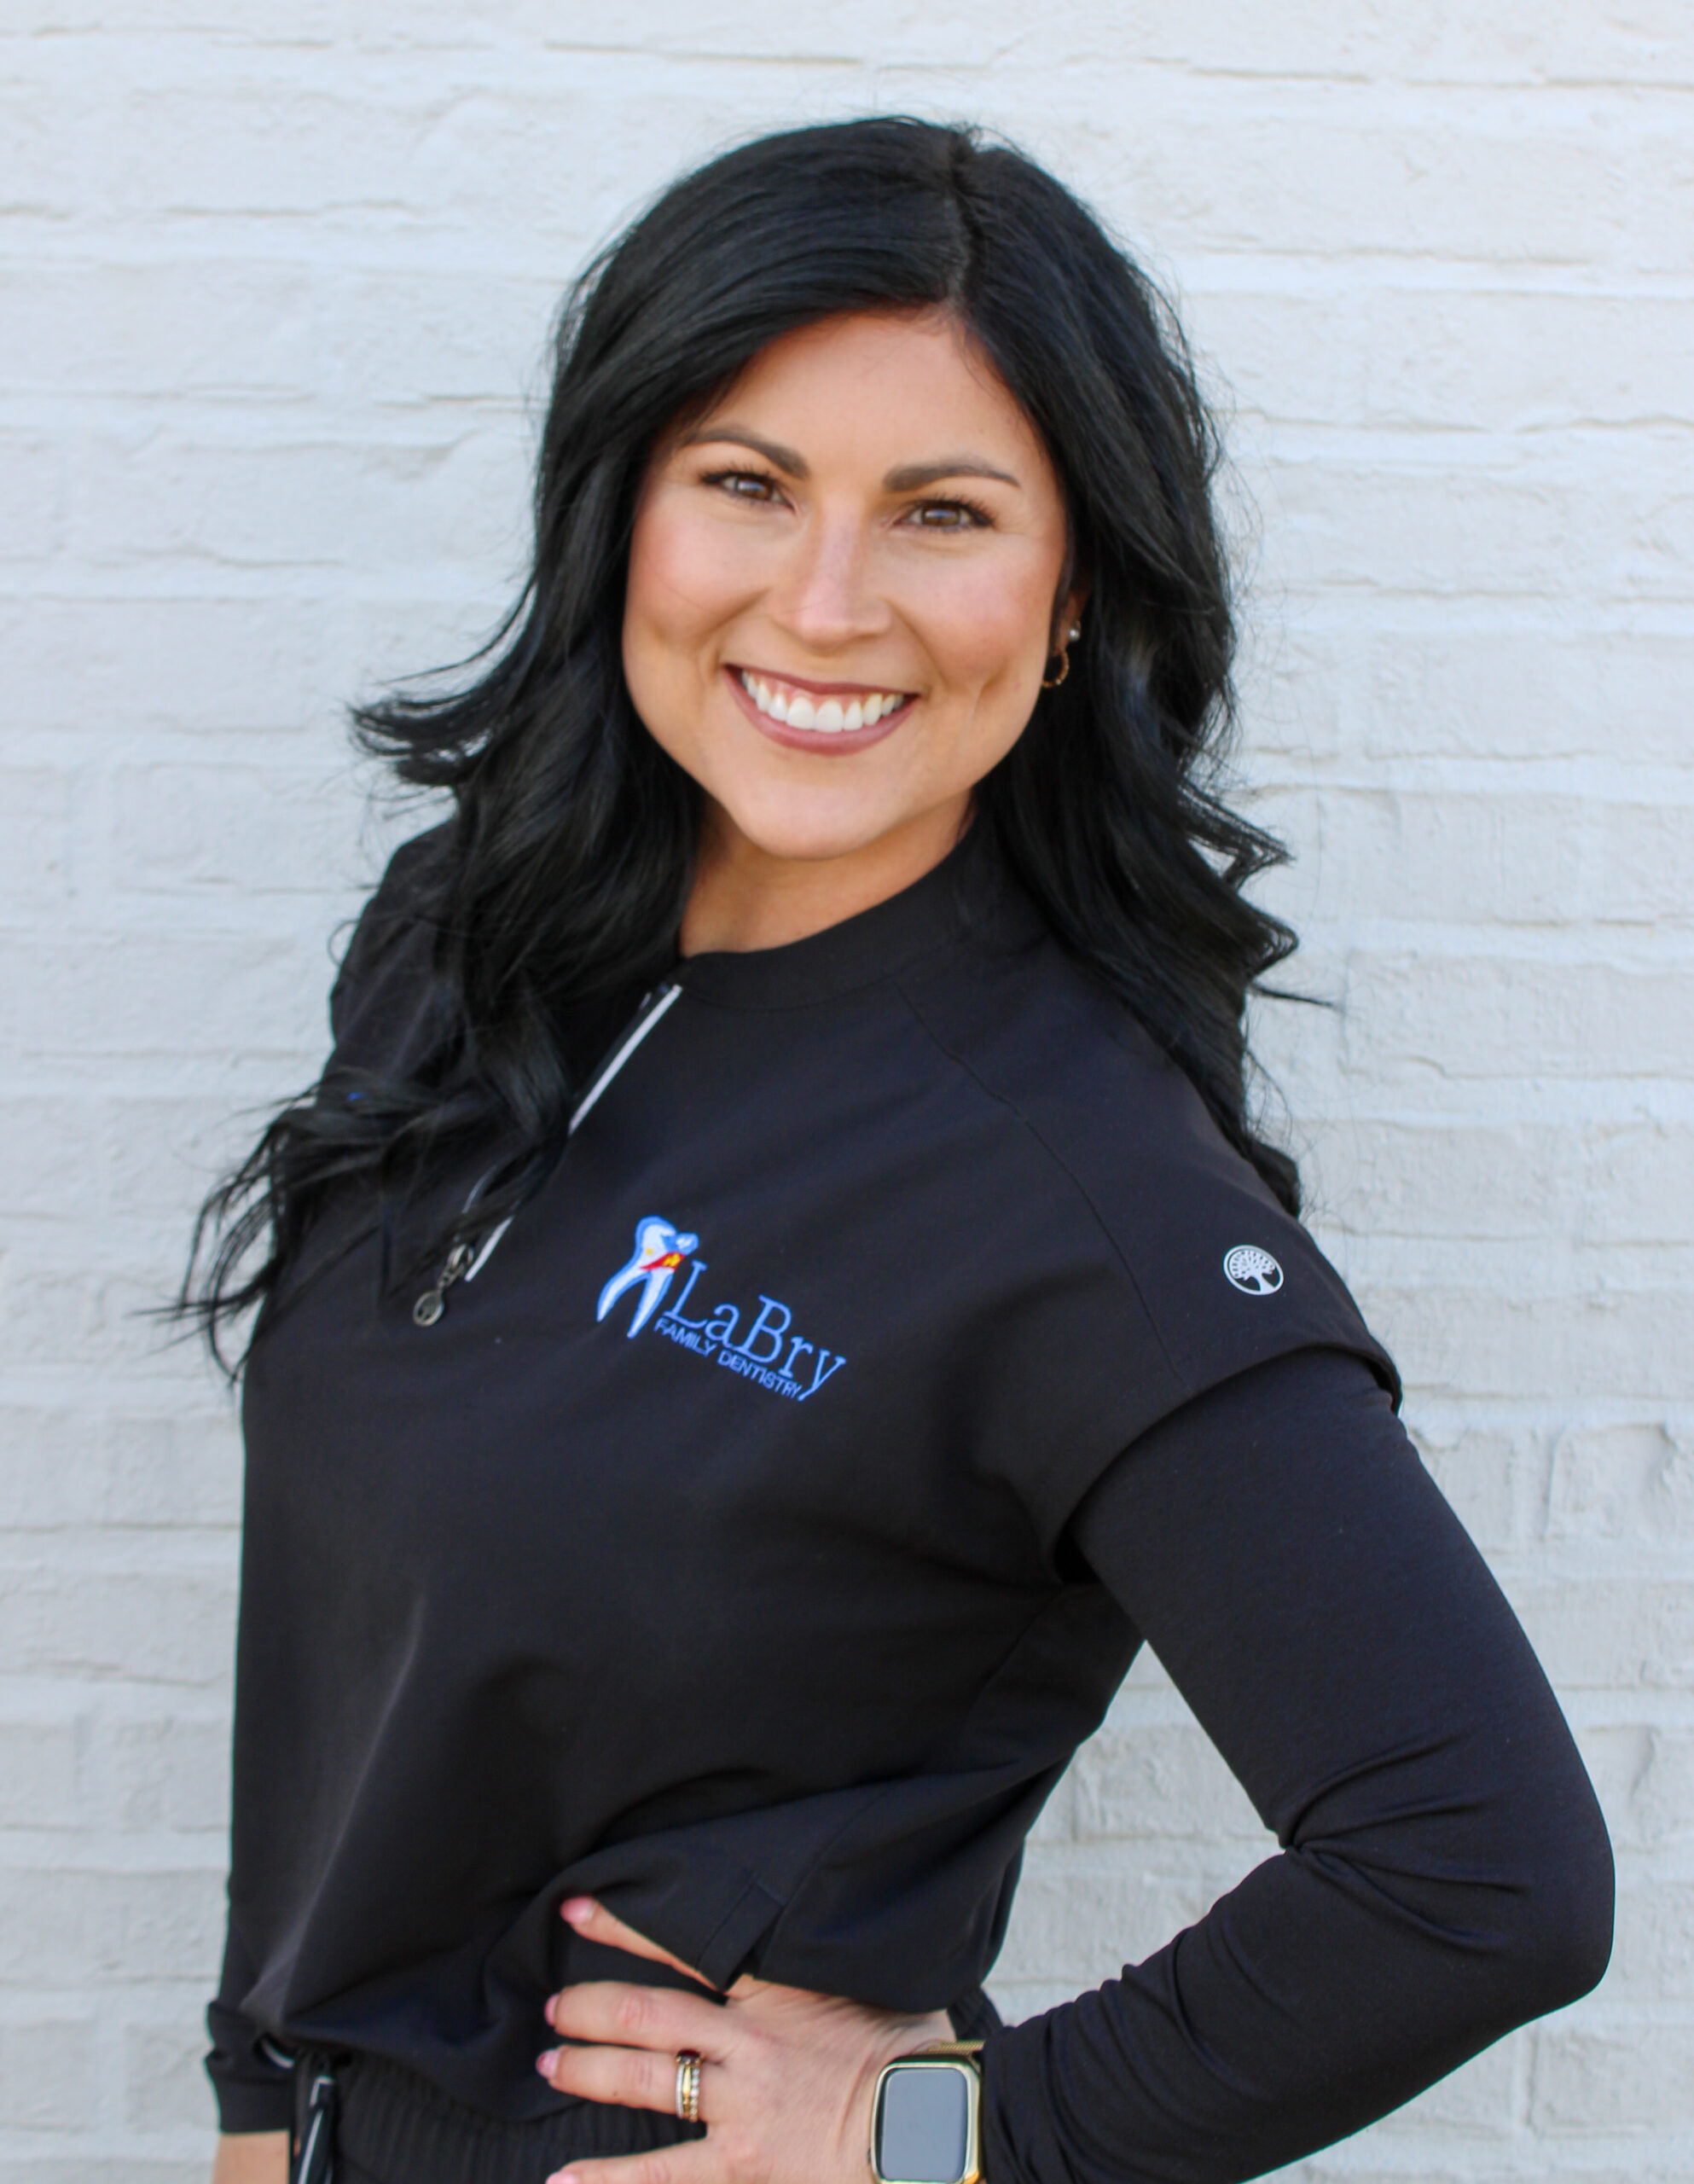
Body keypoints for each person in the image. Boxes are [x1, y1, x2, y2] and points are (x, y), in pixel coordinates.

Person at [186, 118, 1613, 2184]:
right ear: (621, 512)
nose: (826, 601)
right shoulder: (460, 946)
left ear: (1073, 595)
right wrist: (261, 2101)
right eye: (747, 484)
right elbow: (350, 1666)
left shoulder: (1080, 1190)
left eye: (942, 513)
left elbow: (1480, 1871)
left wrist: (932, 2133)